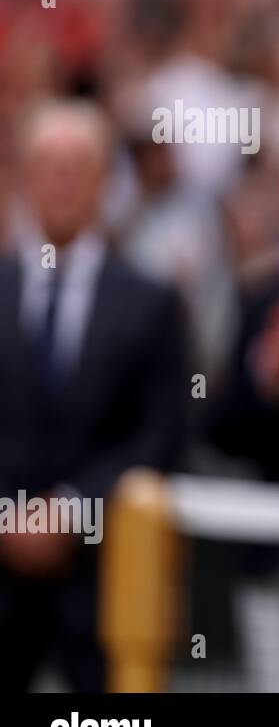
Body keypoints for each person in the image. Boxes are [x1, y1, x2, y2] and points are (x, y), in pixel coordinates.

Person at [0, 99, 189, 691]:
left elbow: (162, 434)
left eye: (78, 166)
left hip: (104, 580)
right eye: (48, 165)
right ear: (25, 177)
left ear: (106, 180)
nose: (62, 182)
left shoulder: (151, 303)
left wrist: (71, 509)